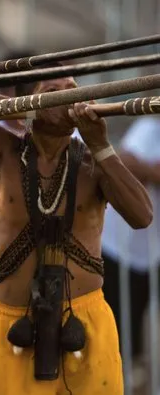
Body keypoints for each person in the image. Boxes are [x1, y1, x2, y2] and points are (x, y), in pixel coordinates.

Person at [0, 72, 153, 394]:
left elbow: (142, 216)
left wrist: (101, 145)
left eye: (72, 90)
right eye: (52, 90)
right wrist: (32, 108)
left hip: (87, 321)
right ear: (29, 103)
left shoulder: (93, 160)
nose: (67, 95)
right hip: (14, 322)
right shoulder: (5, 150)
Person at [101, 116, 160, 392]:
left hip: (151, 258)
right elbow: (123, 162)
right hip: (116, 252)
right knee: (114, 333)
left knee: (141, 338)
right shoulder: (150, 128)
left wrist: (148, 170)